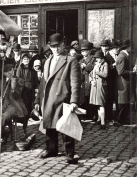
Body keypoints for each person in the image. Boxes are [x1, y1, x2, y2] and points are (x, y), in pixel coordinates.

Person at [34, 33, 80, 164]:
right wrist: (37, 100)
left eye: (58, 46)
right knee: (49, 126)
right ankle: (51, 149)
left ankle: (70, 153)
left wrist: (74, 101)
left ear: (63, 45)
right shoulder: (47, 61)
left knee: (66, 127)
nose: (55, 49)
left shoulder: (70, 60)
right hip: (48, 99)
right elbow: (43, 84)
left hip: (63, 98)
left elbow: (75, 82)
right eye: (52, 46)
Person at [0, 60, 28, 143]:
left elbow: (17, 95)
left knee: (4, 117)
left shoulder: (19, 81)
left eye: (11, 70)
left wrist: (13, 87)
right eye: (7, 72)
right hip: (1, 105)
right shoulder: (1, 81)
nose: (10, 73)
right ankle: (4, 133)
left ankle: (2, 136)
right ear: (4, 73)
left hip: (13, 105)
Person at [115, 39, 136, 125]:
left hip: (127, 83)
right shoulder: (122, 57)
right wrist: (133, 72)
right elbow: (121, 71)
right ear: (127, 47)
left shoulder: (125, 55)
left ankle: (124, 119)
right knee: (123, 102)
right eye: (131, 47)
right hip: (124, 83)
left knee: (126, 102)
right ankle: (119, 120)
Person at [89, 51, 109, 129]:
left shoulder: (105, 64)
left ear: (102, 58)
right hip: (95, 85)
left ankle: (103, 123)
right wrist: (91, 80)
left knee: (101, 104)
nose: (98, 60)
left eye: (99, 58)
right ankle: (99, 119)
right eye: (97, 58)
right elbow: (90, 74)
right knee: (97, 103)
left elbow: (105, 74)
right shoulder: (96, 64)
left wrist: (97, 72)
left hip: (101, 86)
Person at [17, 53, 38, 121]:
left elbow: (35, 78)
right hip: (23, 88)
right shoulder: (20, 68)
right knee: (24, 101)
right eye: (24, 59)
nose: (26, 60)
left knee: (30, 101)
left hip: (31, 87)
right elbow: (18, 78)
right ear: (22, 60)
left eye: (27, 59)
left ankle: (29, 114)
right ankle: (24, 116)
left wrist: (35, 86)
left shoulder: (32, 68)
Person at [105, 40, 121, 124]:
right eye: (116, 48)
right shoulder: (107, 57)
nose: (118, 49)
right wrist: (114, 65)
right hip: (109, 82)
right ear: (111, 49)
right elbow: (106, 69)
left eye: (118, 48)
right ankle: (108, 117)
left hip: (117, 81)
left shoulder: (118, 55)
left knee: (117, 99)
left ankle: (116, 118)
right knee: (109, 99)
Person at [80, 41, 96, 121]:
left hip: (89, 80)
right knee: (84, 97)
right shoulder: (81, 59)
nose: (83, 52)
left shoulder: (93, 58)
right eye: (82, 51)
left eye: (85, 51)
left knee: (90, 97)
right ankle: (85, 114)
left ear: (89, 51)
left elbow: (93, 67)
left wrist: (85, 66)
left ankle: (91, 114)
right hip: (83, 80)